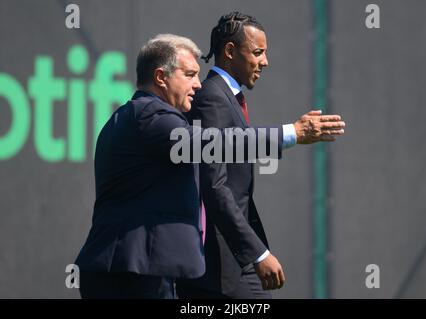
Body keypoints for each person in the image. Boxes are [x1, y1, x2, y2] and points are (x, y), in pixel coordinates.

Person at [74, 33, 329, 299]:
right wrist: (292, 133)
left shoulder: (128, 116)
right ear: (161, 77)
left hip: (128, 269)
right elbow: (214, 144)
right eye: (189, 74)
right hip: (134, 273)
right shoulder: (151, 116)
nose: (198, 84)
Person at [177, 12, 345, 299]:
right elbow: (214, 186)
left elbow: (236, 148)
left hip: (232, 263)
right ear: (230, 52)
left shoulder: (226, 96)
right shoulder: (213, 98)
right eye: (257, 53)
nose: (264, 62)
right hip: (220, 268)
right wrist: (257, 253)